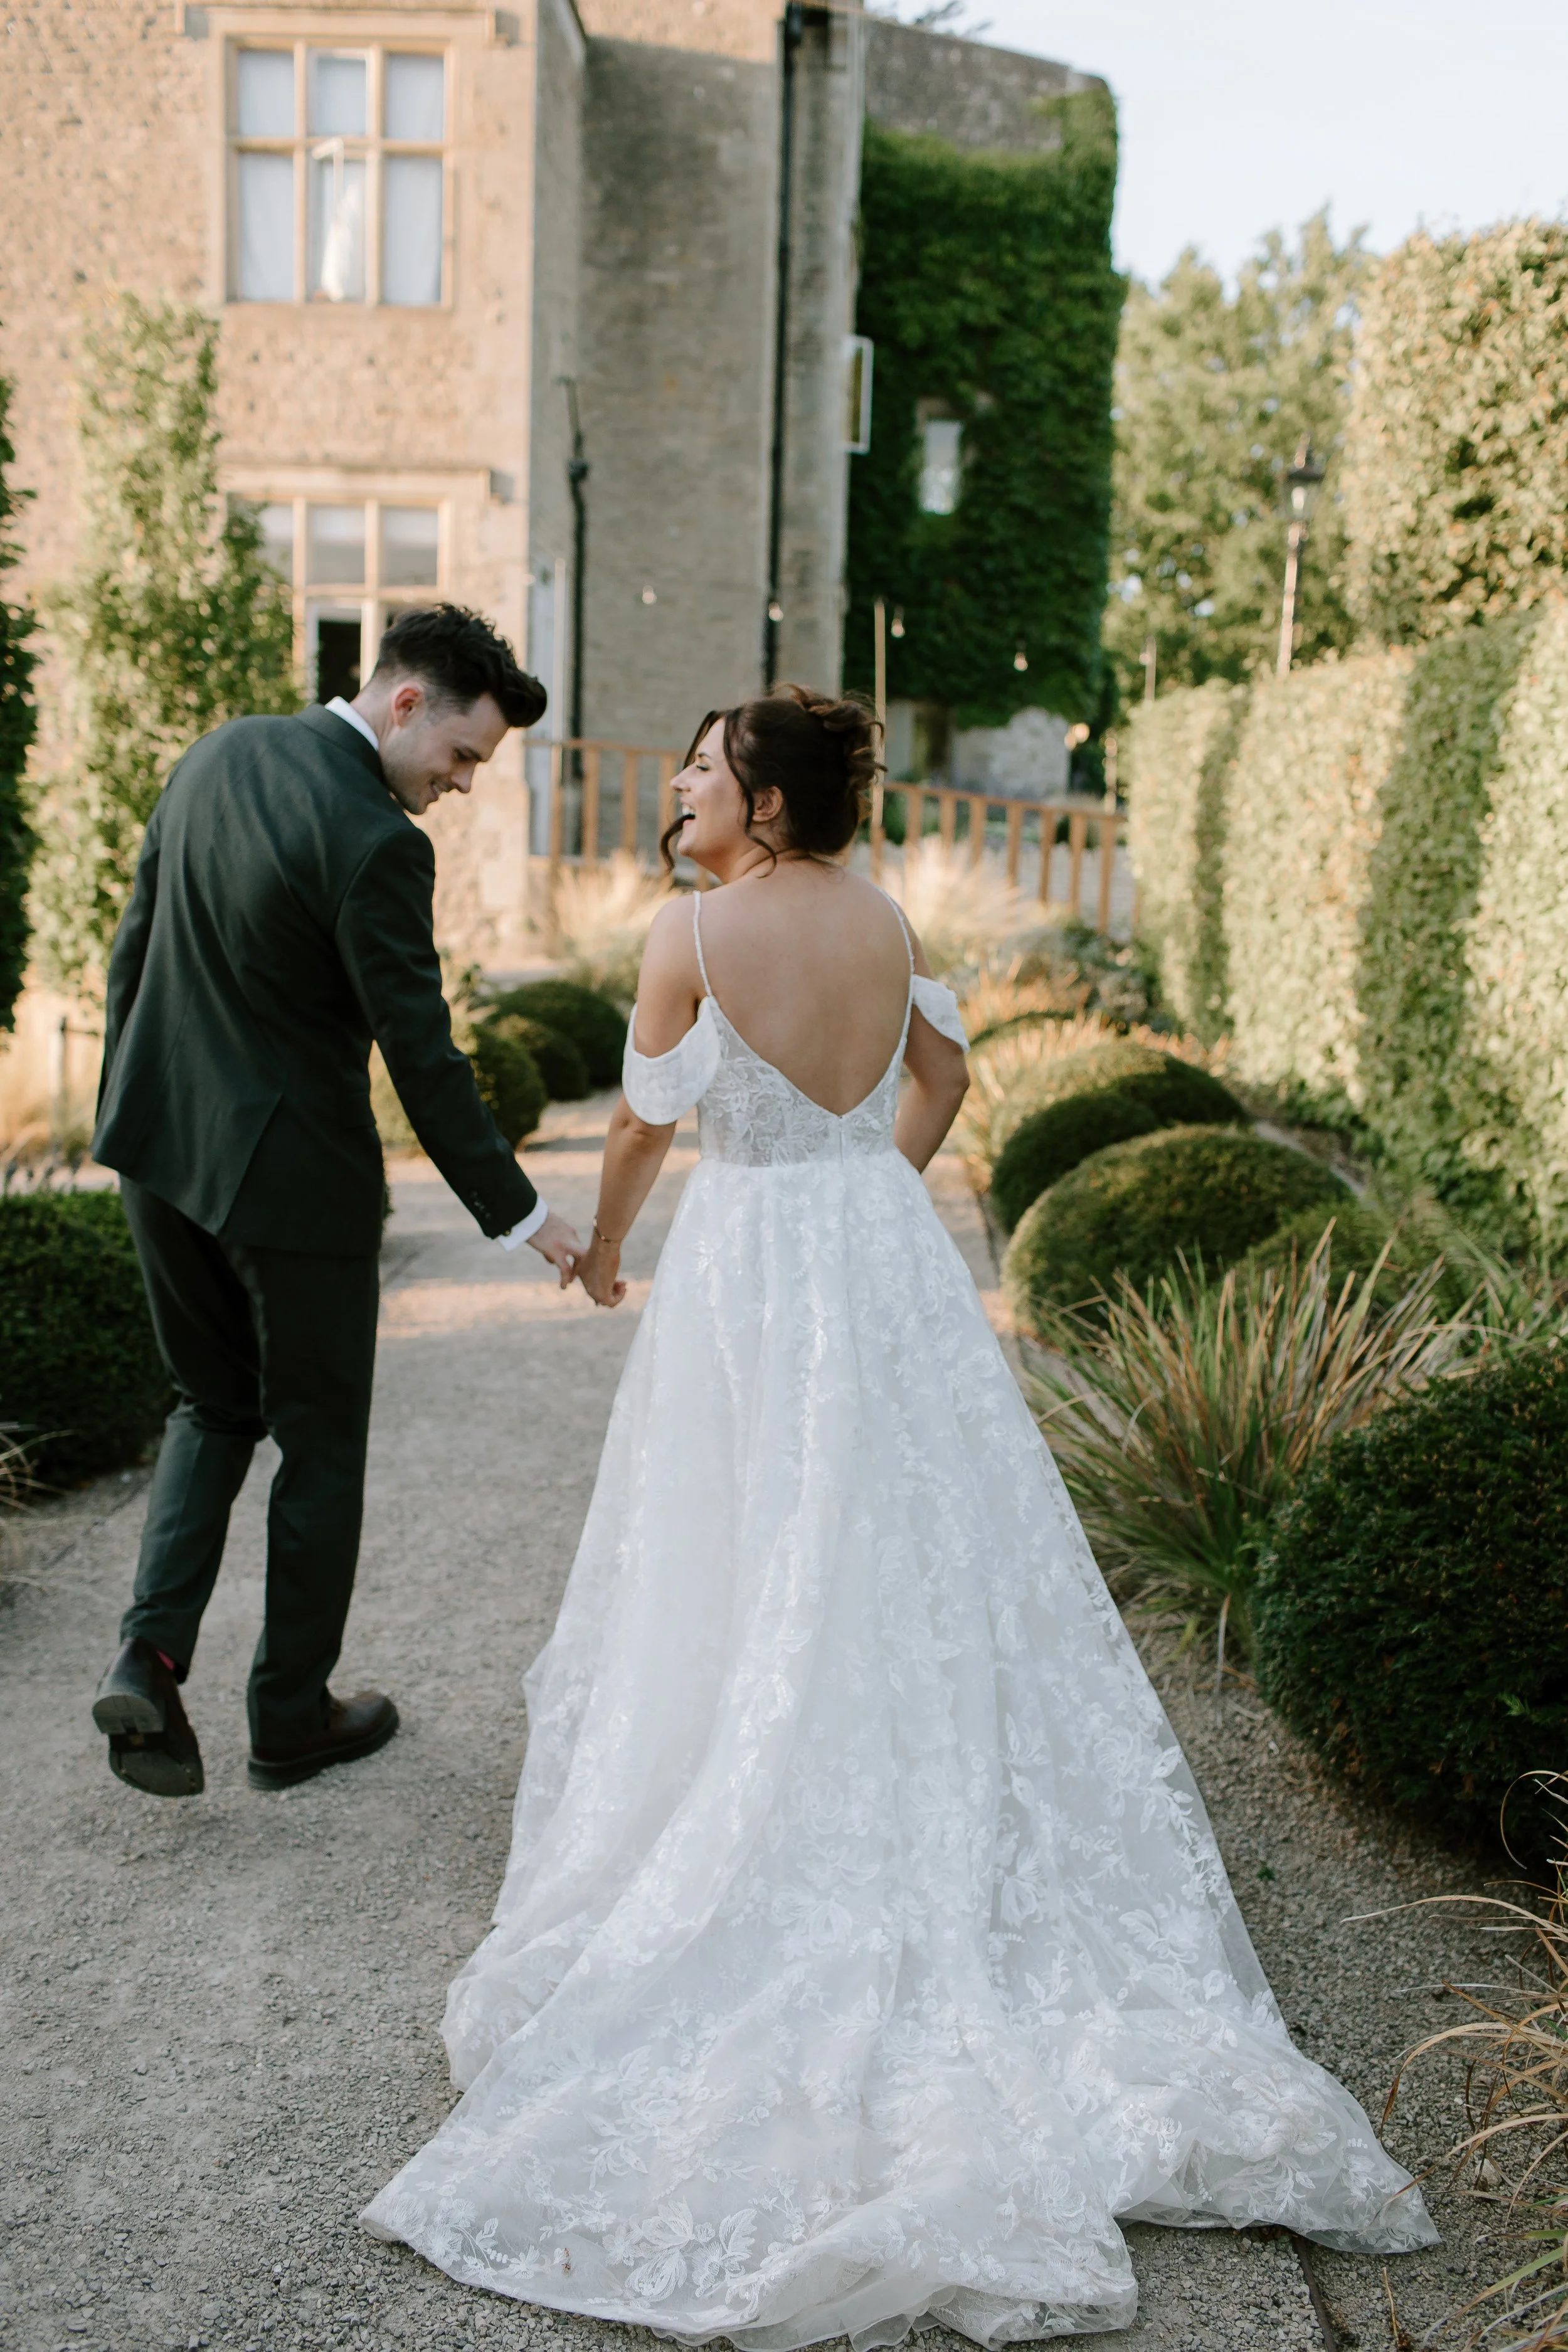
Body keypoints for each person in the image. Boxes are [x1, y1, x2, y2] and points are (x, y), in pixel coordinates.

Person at [363, 684, 1437, 2343]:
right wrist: (877, 1159)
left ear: (766, 806)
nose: (684, 792)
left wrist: (612, 1244)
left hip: (750, 1265)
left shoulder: (694, 933)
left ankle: (757, 1779)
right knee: (906, 1546)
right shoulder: (884, 917)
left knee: (741, 1542)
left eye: (707, 771)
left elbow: (647, 1114)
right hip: (875, 1247)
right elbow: (944, 1071)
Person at [89, 605, 581, 1800]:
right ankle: (290, 1714)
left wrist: (128, 1109)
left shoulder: (215, 754)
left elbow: (133, 949)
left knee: (210, 1406)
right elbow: (422, 1051)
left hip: (159, 1150)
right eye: (463, 757)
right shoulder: (375, 839)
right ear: (405, 702)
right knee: (319, 1443)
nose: (460, 787)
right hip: (293, 1189)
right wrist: (521, 1211)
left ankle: (149, 1658)